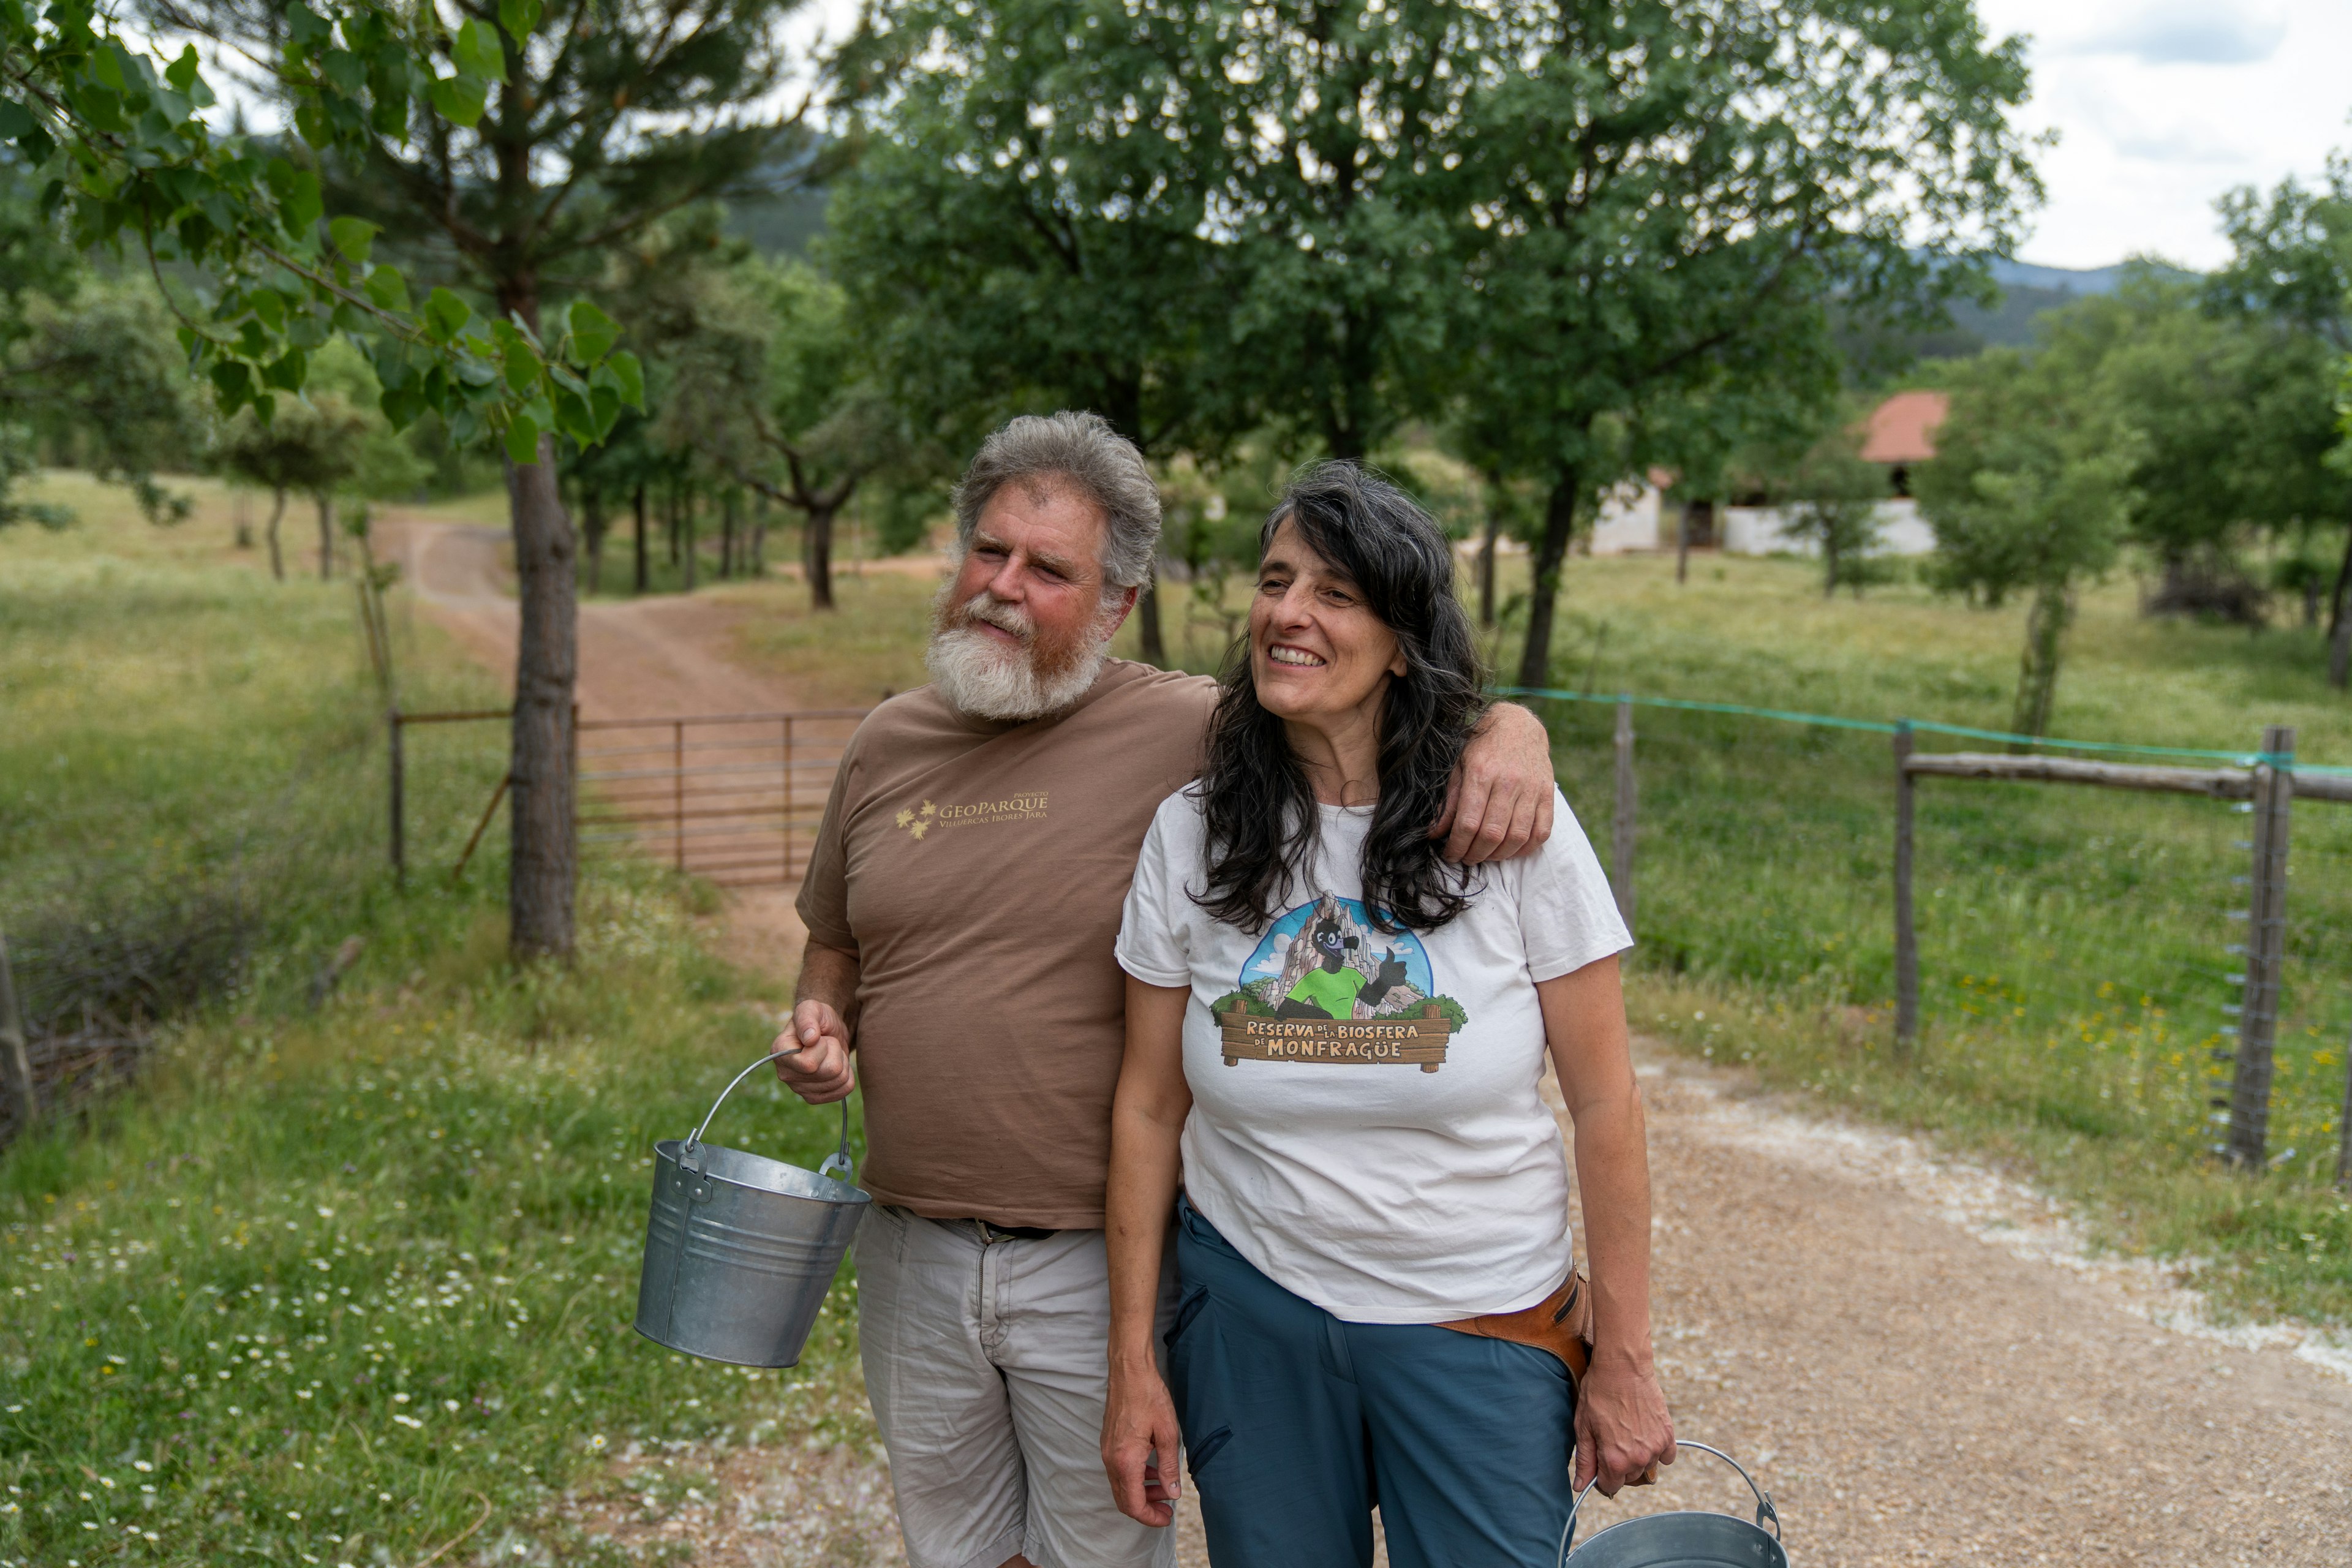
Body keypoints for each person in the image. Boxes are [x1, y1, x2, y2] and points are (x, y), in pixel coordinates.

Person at [774, 413, 1562, 1568]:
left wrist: (1510, 727)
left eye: (1050, 571)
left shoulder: (1192, 731)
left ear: (1115, 605)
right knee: (954, 1551)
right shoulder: (888, 742)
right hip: (910, 1250)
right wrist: (819, 1021)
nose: (1003, 587)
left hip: (1096, 1255)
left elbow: (1357, 690)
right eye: (988, 552)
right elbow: (833, 947)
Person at [1101, 461, 1675, 1567]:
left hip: (1478, 1329)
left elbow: (1608, 1106)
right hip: (1250, 1313)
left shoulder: (1516, 829)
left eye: (1336, 593)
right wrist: (1136, 1362)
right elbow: (1145, 1105)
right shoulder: (1194, 832)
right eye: (1276, 581)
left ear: (1404, 640)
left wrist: (1628, 1359)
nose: (1288, 613)